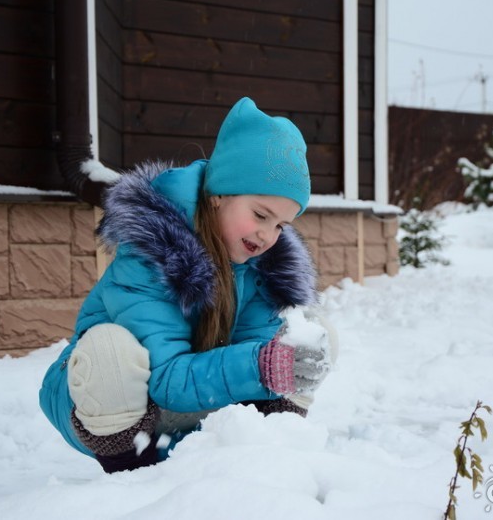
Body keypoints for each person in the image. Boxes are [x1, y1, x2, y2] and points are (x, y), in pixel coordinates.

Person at [39, 97, 337, 473]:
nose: (267, 235)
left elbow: (255, 351)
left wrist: (277, 362)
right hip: (107, 403)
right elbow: (164, 378)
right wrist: (261, 366)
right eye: (260, 215)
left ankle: (268, 464)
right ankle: (135, 482)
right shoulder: (152, 253)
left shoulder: (266, 268)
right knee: (110, 351)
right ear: (219, 197)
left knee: (309, 336)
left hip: (195, 400)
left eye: (280, 225)